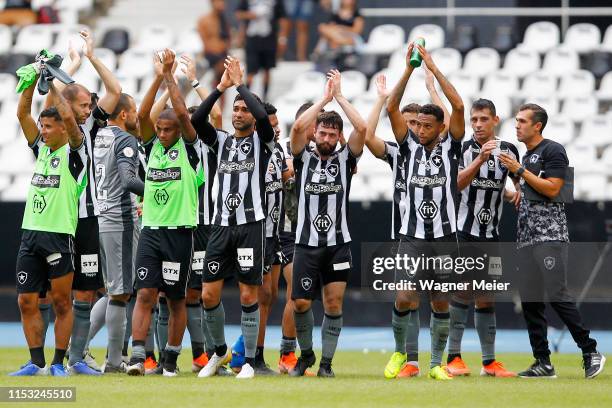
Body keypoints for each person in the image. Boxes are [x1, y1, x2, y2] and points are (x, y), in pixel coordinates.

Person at [498, 104, 606, 379]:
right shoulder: (528, 155)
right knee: (531, 301)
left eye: (523, 121)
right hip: (526, 238)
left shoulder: (553, 150)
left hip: (550, 235)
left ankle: (590, 350)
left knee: (557, 294)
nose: (517, 125)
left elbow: (554, 188)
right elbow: (532, 193)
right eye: (517, 121)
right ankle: (543, 362)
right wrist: (509, 190)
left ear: (538, 126)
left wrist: (519, 171)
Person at [383, 41, 465, 381]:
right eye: (415, 125)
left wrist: (432, 67)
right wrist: (409, 69)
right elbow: (391, 109)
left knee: (440, 300)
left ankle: (434, 364)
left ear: (440, 127)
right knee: (404, 297)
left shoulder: (451, 147)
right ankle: (405, 356)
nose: (418, 130)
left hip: (445, 236)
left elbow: (458, 104)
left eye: (425, 126)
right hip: (411, 236)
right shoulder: (407, 148)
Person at [191, 56, 275, 379]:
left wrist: (240, 84)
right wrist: (221, 88)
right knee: (208, 294)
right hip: (220, 226)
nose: (239, 113)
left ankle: (250, 362)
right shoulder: (221, 141)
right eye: (235, 109)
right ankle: (219, 353)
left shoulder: (262, 142)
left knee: (246, 294)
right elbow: (198, 121)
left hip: (250, 226)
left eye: (243, 110)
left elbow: (264, 119)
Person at [43, 30, 122, 374]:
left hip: (90, 215)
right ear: (68, 108)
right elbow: (56, 94)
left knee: (87, 291)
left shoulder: (93, 124)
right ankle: (52, 358)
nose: (89, 110)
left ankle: (77, 356)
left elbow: (115, 92)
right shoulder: (56, 125)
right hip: (61, 217)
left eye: (90, 105)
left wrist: (88, 56)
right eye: (83, 105)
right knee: (57, 293)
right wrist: (70, 63)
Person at [126, 49, 204, 377]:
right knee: (144, 293)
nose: (161, 134)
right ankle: (136, 356)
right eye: (159, 130)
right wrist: (157, 76)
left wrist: (172, 77)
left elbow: (185, 117)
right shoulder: (153, 146)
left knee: (175, 300)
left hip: (179, 233)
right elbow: (141, 116)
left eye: (166, 130)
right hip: (152, 230)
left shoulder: (190, 149)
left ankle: (170, 359)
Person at [289, 69, 366, 377]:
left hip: (338, 245)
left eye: (332, 135)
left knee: (333, 305)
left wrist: (340, 97)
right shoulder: (302, 158)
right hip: (306, 245)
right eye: (322, 133)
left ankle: (327, 364)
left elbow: (361, 127)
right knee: (300, 304)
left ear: (338, 138)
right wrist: (323, 98)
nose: (326, 138)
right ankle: (306, 354)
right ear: (315, 132)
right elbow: (296, 126)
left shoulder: (346, 159)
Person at [10, 78, 87, 376]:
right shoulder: (41, 151)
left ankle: (58, 363)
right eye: (42, 127)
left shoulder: (75, 155)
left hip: (59, 236)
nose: (42, 131)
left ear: (64, 129)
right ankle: (36, 362)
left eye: (48, 127)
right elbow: (21, 114)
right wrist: (30, 81)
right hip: (31, 233)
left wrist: (54, 83)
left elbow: (68, 115)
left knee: (60, 302)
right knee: (26, 300)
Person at [445, 98, 519, 378]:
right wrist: (480, 159)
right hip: (464, 233)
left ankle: (489, 363)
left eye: (482, 119)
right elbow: (455, 185)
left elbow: (516, 179)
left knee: (487, 298)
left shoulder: (509, 150)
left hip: (492, 236)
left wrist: (518, 190)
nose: (477, 125)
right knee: (463, 290)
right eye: (473, 120)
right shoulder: (464, 149)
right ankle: (454, 357)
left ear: (495, 120)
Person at [92, 93, 145, 373]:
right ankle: (112, 361)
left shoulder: (100, 135)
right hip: (120, 218)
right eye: (134, 110)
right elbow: (128, 180)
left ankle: (80, 348)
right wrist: (159, 192)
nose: (137, 115)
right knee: (121, 292)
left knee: (114, 289)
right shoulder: (125, 140)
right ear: (124, 114)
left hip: (102, 216)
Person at [235, 0, 289, 100]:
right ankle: (245, 98)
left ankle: (265, 98)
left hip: (269, 38)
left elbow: (283, 18)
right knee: (250, 71)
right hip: (252, 38)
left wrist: (282, 39)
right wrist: (251, 15)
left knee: (267, 69)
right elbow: (238, 13)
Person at [197, 0, 231, 93]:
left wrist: (222, 47)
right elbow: (204, 43)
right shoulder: (204, 20)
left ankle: (219, 92)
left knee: (227, 66)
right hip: (210, 54)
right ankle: (215, 91)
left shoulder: (224, 21)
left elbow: (228, 41)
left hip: (222, 53)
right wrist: (218, 48)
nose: (222, 4)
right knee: (222, 66)